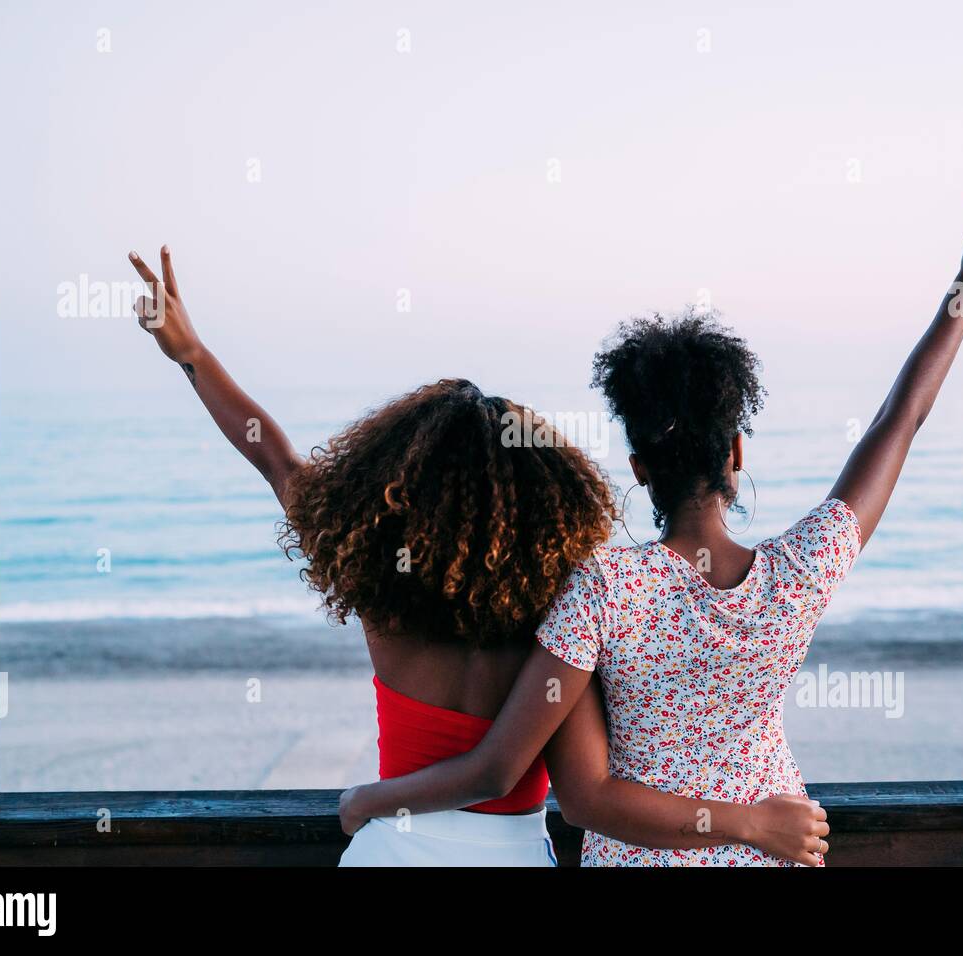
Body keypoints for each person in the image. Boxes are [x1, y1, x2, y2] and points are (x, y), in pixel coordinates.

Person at [338, 174, 963, 865]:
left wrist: (751, 824)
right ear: (735, 452)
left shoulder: (601, 590)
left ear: (638, 468)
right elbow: (899, 421)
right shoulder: (801, 571)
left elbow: (581, 797)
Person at [126, 247, 831, 865]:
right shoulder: (566, 603)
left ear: (400, 489)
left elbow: (275, 457)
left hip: (391, 854)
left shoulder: (377, 590)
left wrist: (192, 355)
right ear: (544, 504)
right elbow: (518, 775)